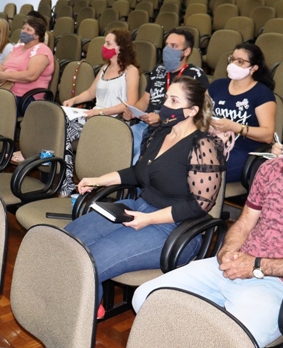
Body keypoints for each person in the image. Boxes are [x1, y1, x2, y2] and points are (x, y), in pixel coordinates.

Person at [132, 95, 283, 347]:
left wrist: (257, 265)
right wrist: (228, 251)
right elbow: (244, 222)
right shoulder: (270, 169)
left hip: (281, 285)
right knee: (146, 297)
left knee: (223, 339)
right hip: (235, 264)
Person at [64, 76, 226, 319]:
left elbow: (199, 205)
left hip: (174, 229)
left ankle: (78, 318)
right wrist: (98, 179)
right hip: (138, 207)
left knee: (91, 261)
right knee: (67, 240)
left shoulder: (204, 146)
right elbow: (137, 172)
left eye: (174, 100)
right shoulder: (161, 133)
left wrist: (149, 220)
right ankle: (85, 300)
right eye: (167, 98)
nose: (165, 105)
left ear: (192, 110)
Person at [59, 29, 140, 195]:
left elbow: (130, 104)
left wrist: (101, 112)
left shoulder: (131, 71)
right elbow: (90, 93)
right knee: (61, 127)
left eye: (108, 43)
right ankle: (66, 183)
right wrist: (73, 101)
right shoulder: (104, 68)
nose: (104, 46)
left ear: (120, 48)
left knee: (65, 131)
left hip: (114, 121)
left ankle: (70, 184)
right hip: (95, 117)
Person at [126, 28, 209, 164]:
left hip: (170, 130)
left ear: (186, 51)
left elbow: (200, 111)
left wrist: (161, 117)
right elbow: (145, 100)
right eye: (166, 45)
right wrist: (133, 110)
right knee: (115, 147)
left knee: (139, 163)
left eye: (174, 46)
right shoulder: (158, 70)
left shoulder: (196, 75)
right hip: (144, 125)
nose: (167, 49)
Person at [209, 43, 276, 183]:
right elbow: (199, 112)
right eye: (232, 59)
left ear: (254, 68)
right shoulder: (217, 86)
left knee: (199, 167)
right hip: (210, 143)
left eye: (240, 61)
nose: (233, 64)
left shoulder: (262, 94)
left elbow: (268, 135)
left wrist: (235, 127)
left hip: (242, 151)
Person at [0, 15, 54, 129]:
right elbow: (2, 66)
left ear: (37, 35)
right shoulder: (17, 48)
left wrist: (4, 75)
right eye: (23, 28)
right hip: (5, 90)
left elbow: (31, 75)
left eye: (28, 30)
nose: (24, 31)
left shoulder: (42, 50)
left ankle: (0, 144)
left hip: (25, 97)